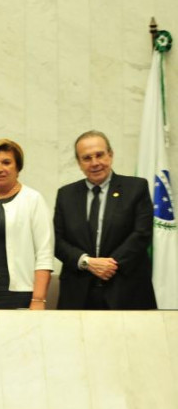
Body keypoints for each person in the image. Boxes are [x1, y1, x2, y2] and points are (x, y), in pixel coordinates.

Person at [54, 130, 156, 309]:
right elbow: (58, 241)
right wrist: (88, 262)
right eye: (86, 158)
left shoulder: (136, 188)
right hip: (78, 293)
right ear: (79, 163)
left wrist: (108, 265)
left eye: (99, 155)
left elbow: (142, 233)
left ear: (111, 155)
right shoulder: (66, 195)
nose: (95, 163)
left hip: (126, 289)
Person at [0, 139, 53, 309]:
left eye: (6, 162)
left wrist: (38, 299)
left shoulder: (32, 199)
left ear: (17, 167)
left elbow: (44, 254)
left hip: (16, 293)